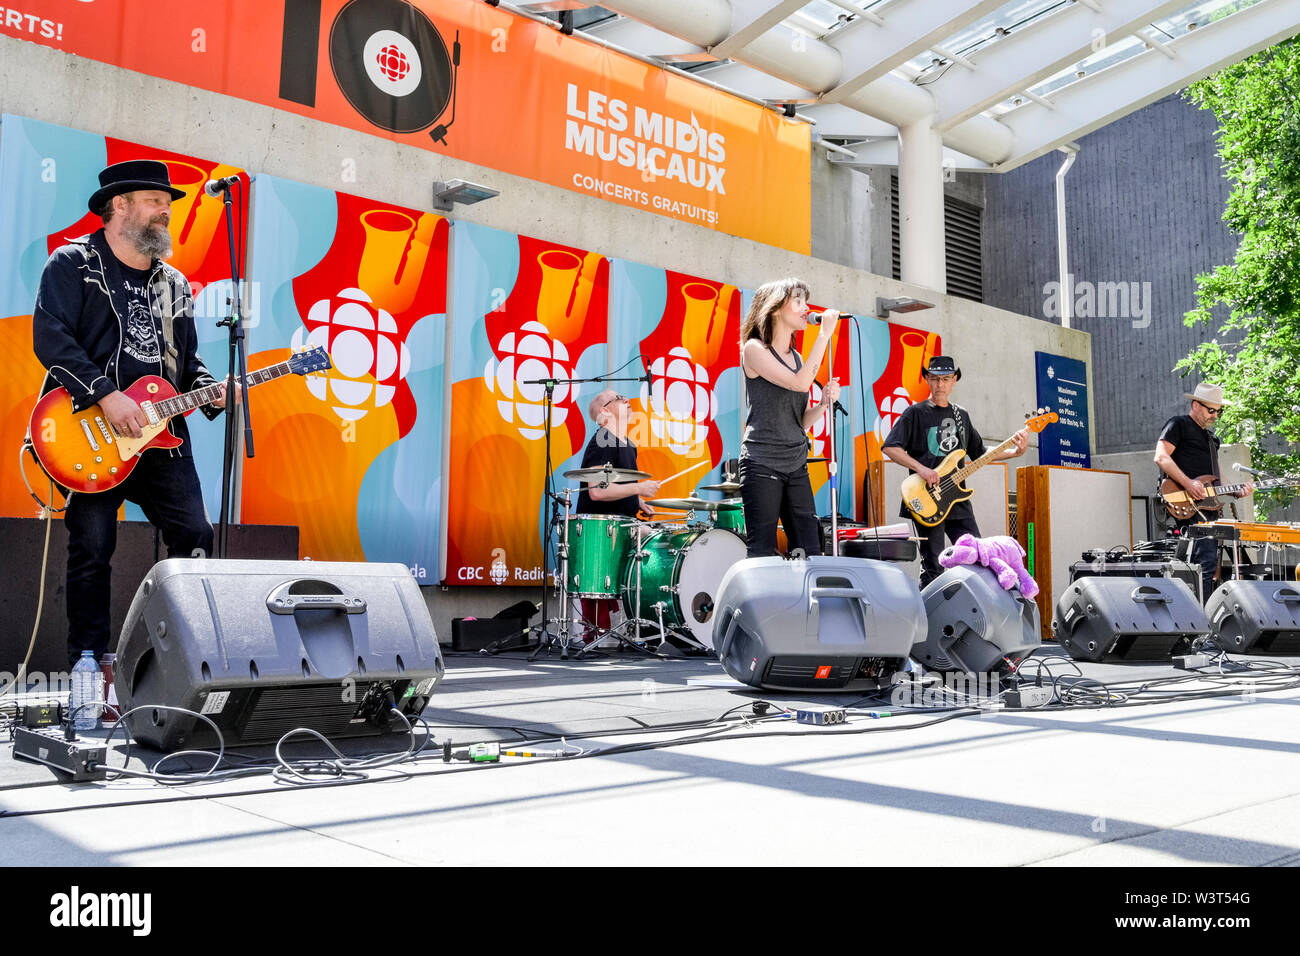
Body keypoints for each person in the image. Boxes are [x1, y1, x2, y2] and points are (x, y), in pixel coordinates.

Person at [32, 160, 233, 666]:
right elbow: (51, 338)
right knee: (93, 546)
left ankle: (181, 657)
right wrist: (106, 393)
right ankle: (87, 660)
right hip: (90, 428)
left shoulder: (175, 284)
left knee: (195, 535)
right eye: (154, 201)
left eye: (167, 203)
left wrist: (209, 389)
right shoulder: (72, 264)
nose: (166, 210)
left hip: (162, 433)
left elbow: (187, 360)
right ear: (117, 206)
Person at [882, 356, 1029, 587]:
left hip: (956, 497)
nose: (940, 384)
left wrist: (1014, 453)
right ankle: (930, 616)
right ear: (927, 379)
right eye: (935, 378)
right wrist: (923, 470)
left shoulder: (961, 416)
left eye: (946, 379)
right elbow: (891, 447)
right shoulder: (915, 413)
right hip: (926, 496)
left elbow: (979, 452)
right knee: (933, 563)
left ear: (955, 380)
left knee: (978, 554)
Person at [737, 277, 841, 558]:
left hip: (795, 462)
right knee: (762, 549)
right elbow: (799, 383)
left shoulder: (796, 357)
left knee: (810, 548)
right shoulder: (754, 349)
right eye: (798, 301)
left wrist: (823, 404)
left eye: (805, 301)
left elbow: (799, 420)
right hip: (762, 462)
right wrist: (824, 336)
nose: (806, 308)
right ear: (774, 309)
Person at [572, 389, 660, 633]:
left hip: (622, 523)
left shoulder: (628, 445)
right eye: (620, 397)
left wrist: (637, 499)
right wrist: (639, 487)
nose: (626, 399)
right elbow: (597, 492)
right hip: (604, 531)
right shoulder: (603, 440)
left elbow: (616, 486)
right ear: (605, 411)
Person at [1154, 383, 1250, 602]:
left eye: (1219, 411)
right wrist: (1188, 483)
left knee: (1208, 564)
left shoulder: (1211, 439)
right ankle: (1200, 621)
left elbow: (1215, 477)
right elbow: (1161, 457)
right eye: (1211, 410)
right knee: (1203, 562)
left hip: (1208, 505)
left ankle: (1204, 615)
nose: (1215, 415)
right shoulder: (1178, 424)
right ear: (1196, 405)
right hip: (1185, 501)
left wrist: (1236, 489)